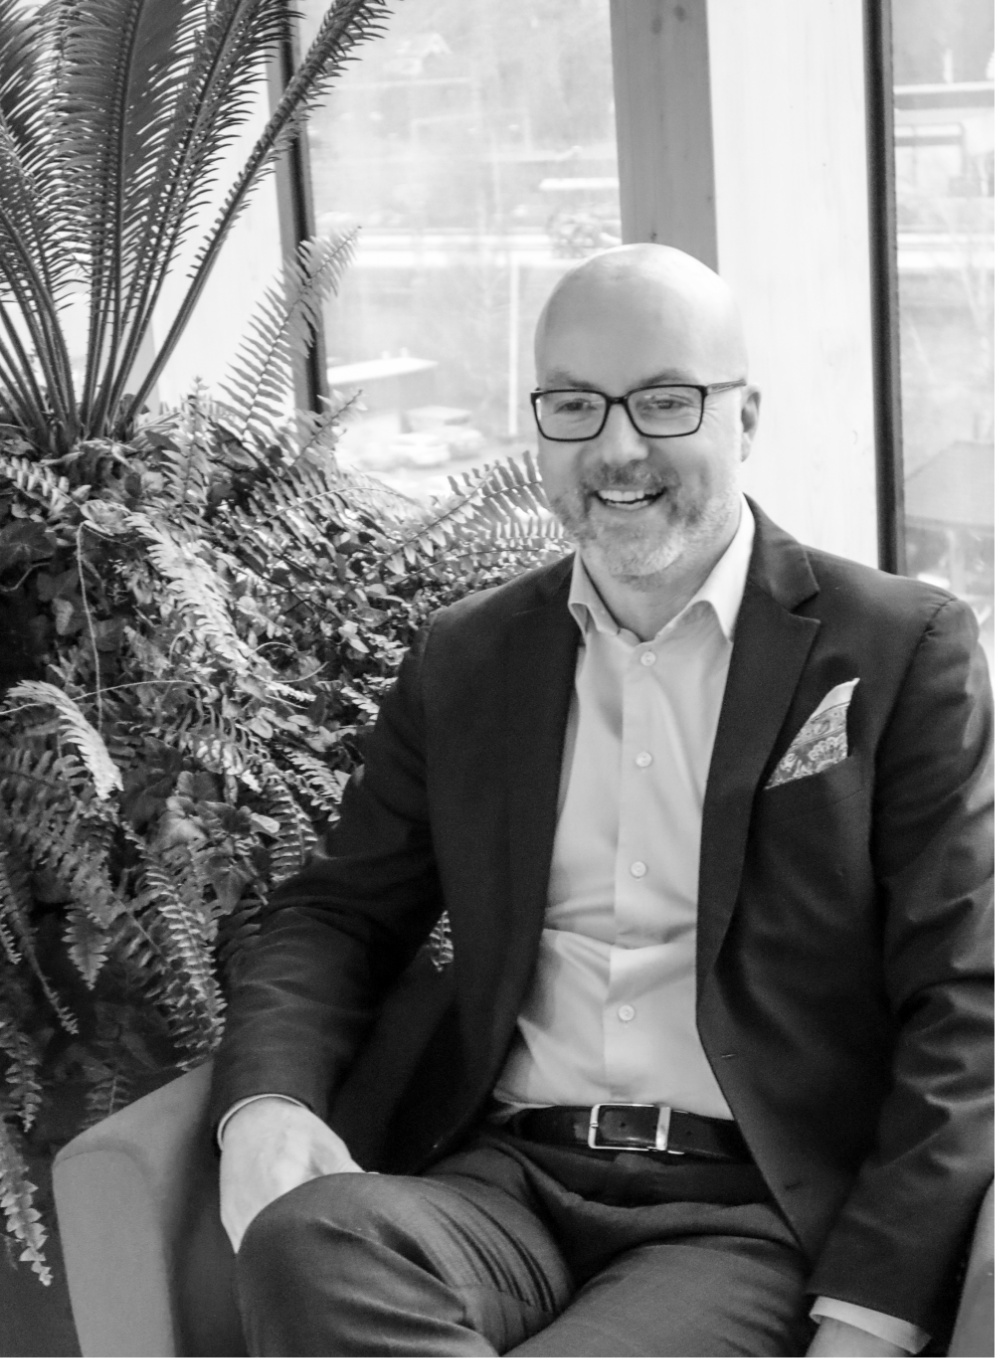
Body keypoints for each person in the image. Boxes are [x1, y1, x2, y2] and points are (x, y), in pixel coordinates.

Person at [210, 244, 995, 1358]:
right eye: (575, 405)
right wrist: (266, 1107)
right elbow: (337, 914)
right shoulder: (468, 657)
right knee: (308, 1239)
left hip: (741, 1210)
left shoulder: (898, 649)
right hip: (498, 1183)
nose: (616, 450)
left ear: (743, 416)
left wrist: (869, 1312)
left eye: (664, 401)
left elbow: (965, 993)